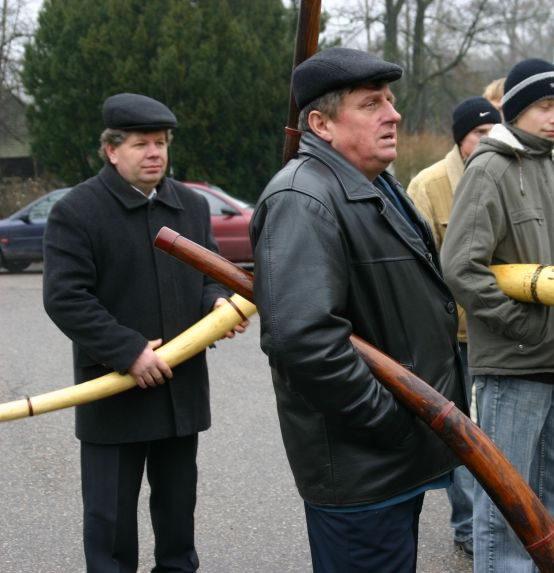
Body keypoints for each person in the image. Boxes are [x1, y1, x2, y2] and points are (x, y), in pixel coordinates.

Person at [250, 47, 466, 573]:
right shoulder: (302, 198)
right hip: (363, 468)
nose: (393, 114)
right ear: (321, 124)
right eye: (371, 104)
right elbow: (304, 342)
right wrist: (393, 423)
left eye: (390, 100)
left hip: (390, 463)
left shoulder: (375, 185)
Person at [43, 92, 243, 572]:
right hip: (115, 394)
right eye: (141, 144)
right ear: (111, 150)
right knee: (110, 529)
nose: (154, 153)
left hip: (180, 395)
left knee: (178, 521)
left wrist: (216, 301)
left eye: (161, 143)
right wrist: (128, 350)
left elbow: (212, 272)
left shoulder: (190, 206)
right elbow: (65, 298)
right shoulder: (77, 211)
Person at [441, 58, 554, 572]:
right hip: (514, 367)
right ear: (514, 109)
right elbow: (461, 266)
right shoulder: (489, 169)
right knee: (508, 507)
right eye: (544, 106)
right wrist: (524, 326)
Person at [406, 95, 501, 558]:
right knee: (460, 430)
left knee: (496, 430)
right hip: (451, 335)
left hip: (497, 329)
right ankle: (467, 524)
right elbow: (417, 265)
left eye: (494, 132)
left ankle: (500, 518)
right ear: (461, 138)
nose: (488, 141)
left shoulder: (504, 175)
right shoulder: (428, 185)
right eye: (479, 134)